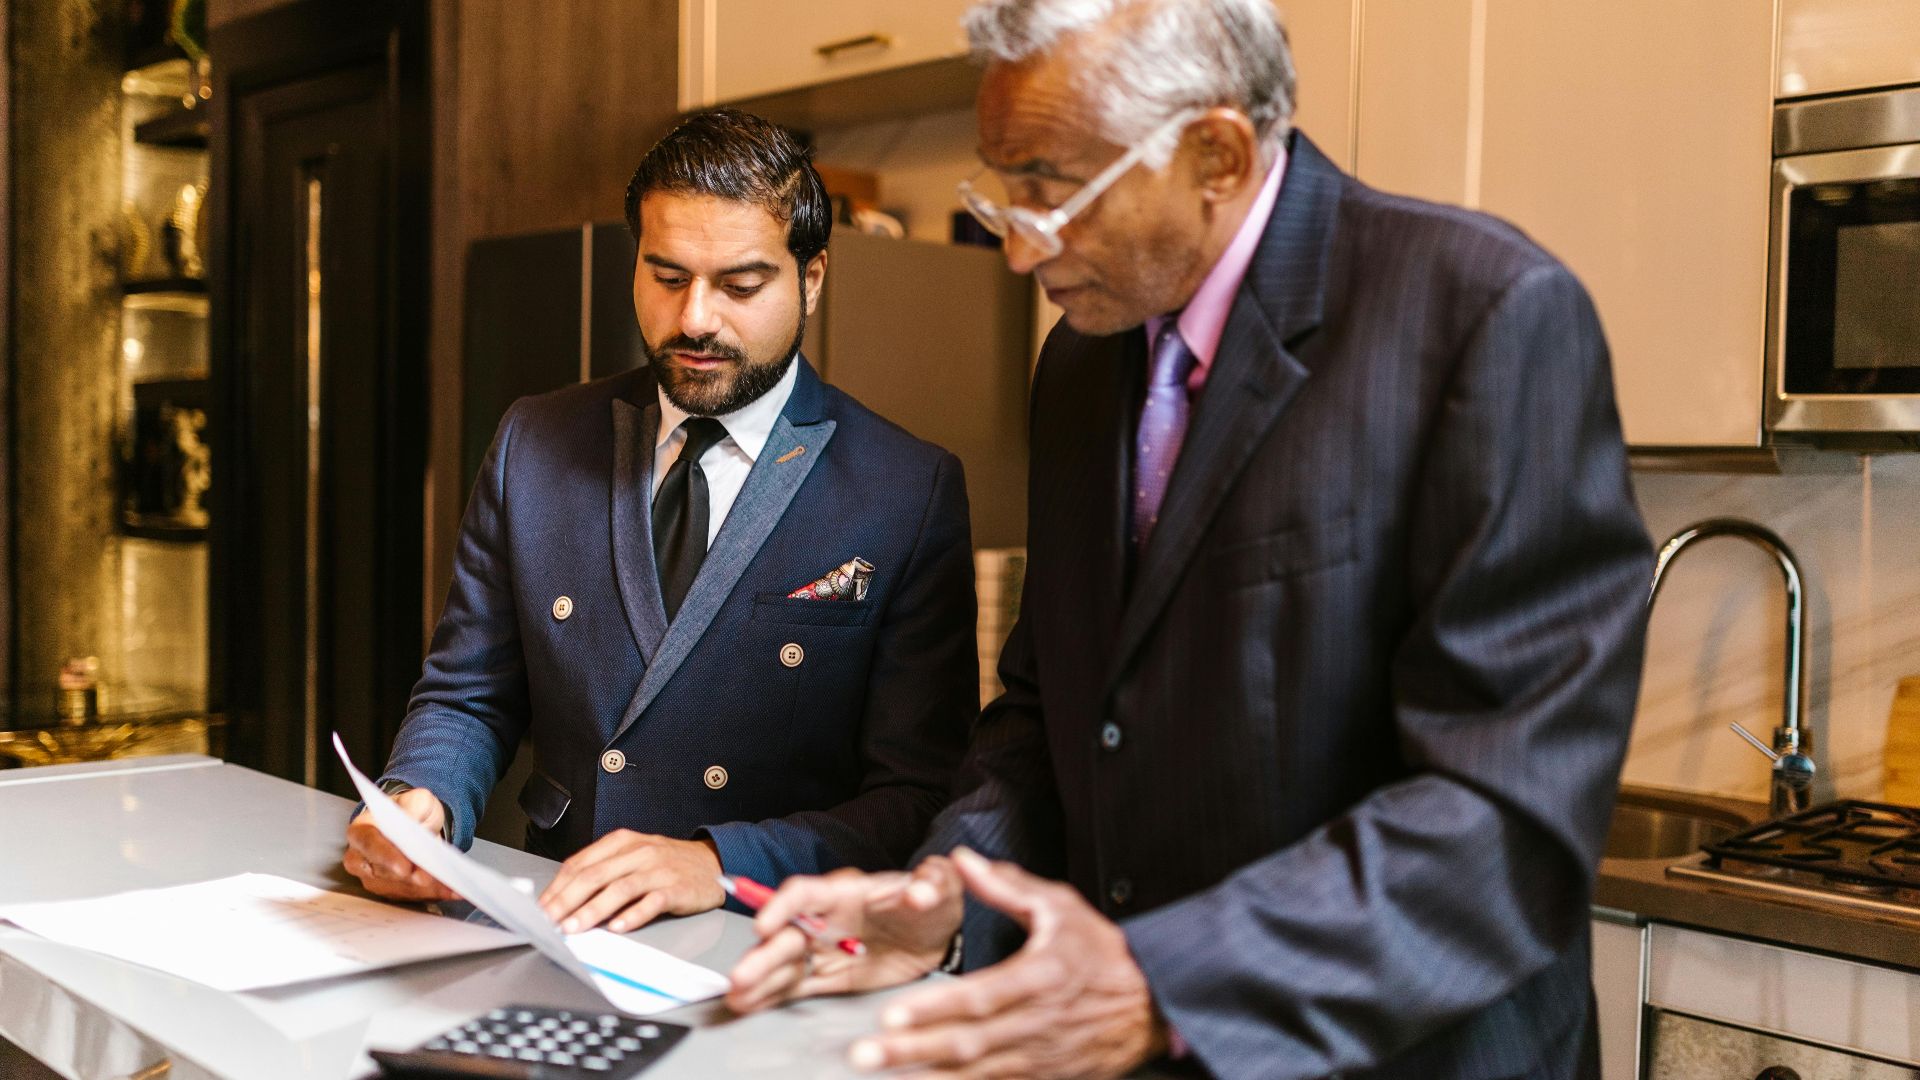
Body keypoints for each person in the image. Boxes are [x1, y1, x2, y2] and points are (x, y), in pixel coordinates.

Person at [724, 2, 1653, 1078]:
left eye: (1049, 187)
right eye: (1003, 185)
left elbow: (1504, 819)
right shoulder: (1081, 363)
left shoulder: (1483, 315)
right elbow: (1048, 713)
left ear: (1215, 152)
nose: (1019, 246)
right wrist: (945, 895)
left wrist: (1162, 983)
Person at [340, 108, 978, 937]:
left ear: (812, 278)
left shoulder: (907, 489)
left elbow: (920, 796)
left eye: (741, 286)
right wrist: (416, 800)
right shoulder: (534, 441)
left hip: (771, 945)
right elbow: (470, 695)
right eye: (666, 276)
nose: (696, 319)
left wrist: (721, 862)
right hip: (559, 924)